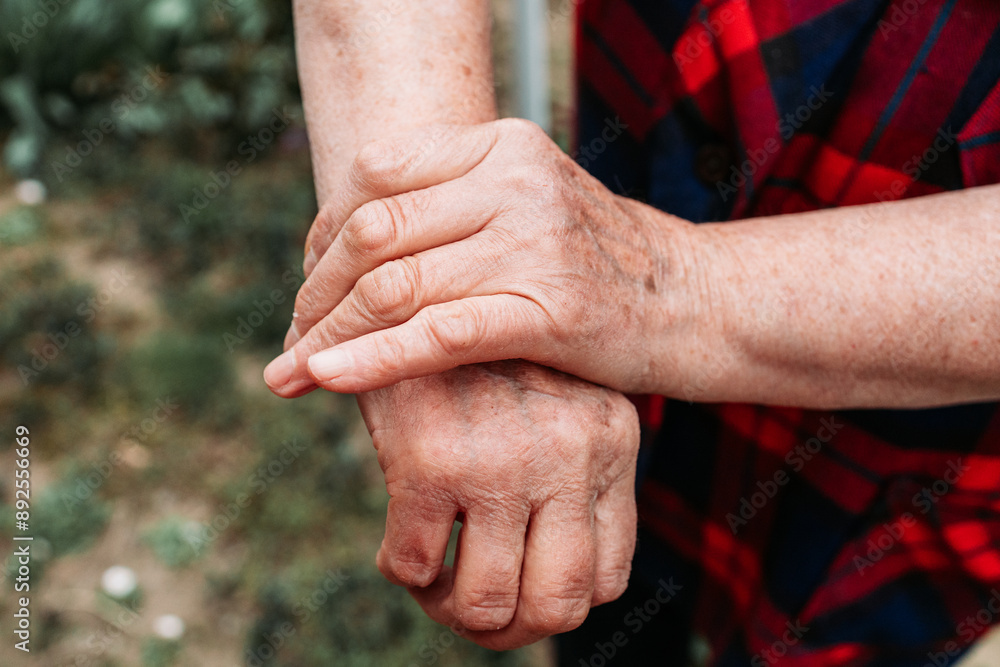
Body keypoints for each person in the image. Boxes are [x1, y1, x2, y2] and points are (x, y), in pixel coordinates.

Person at [265, 0, 1000, 663]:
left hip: (924, 454)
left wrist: (661, 281)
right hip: (647, 111)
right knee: (601, 605)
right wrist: (452, 284)